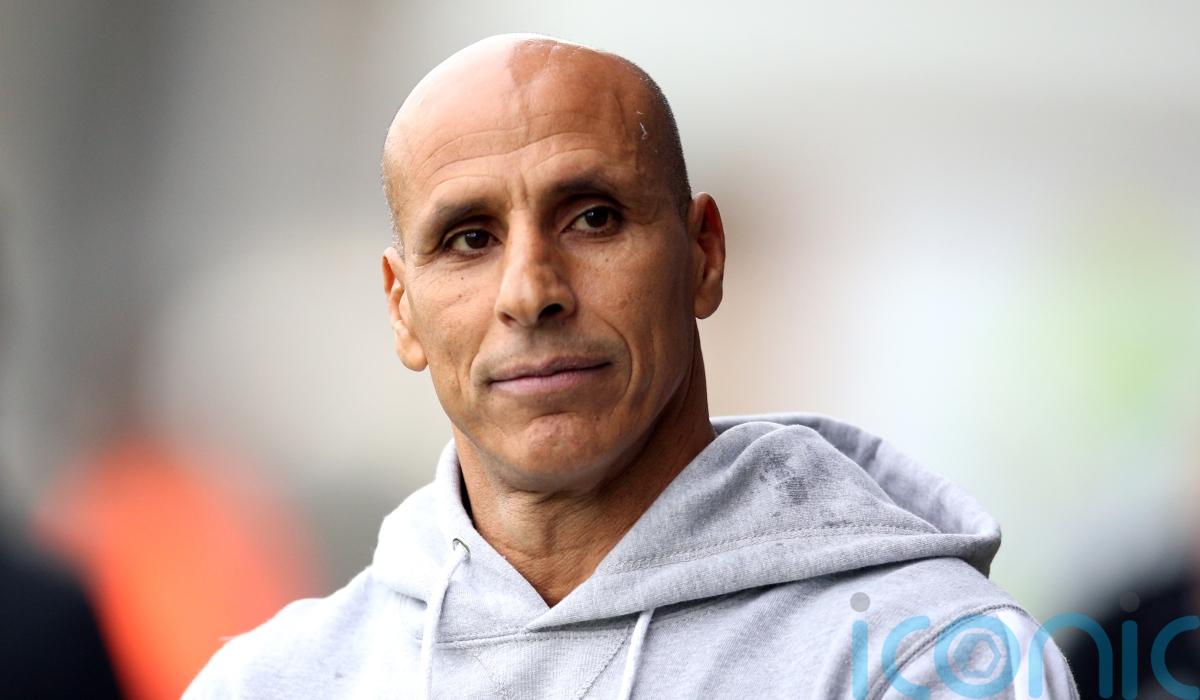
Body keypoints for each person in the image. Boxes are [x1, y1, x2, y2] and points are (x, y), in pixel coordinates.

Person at [186, 34, 1079, 698]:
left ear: (704, 255)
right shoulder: (267, 683)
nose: (531, 291)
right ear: (401, 307)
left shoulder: (931, 661)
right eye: (469, 239)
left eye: (593, 218)